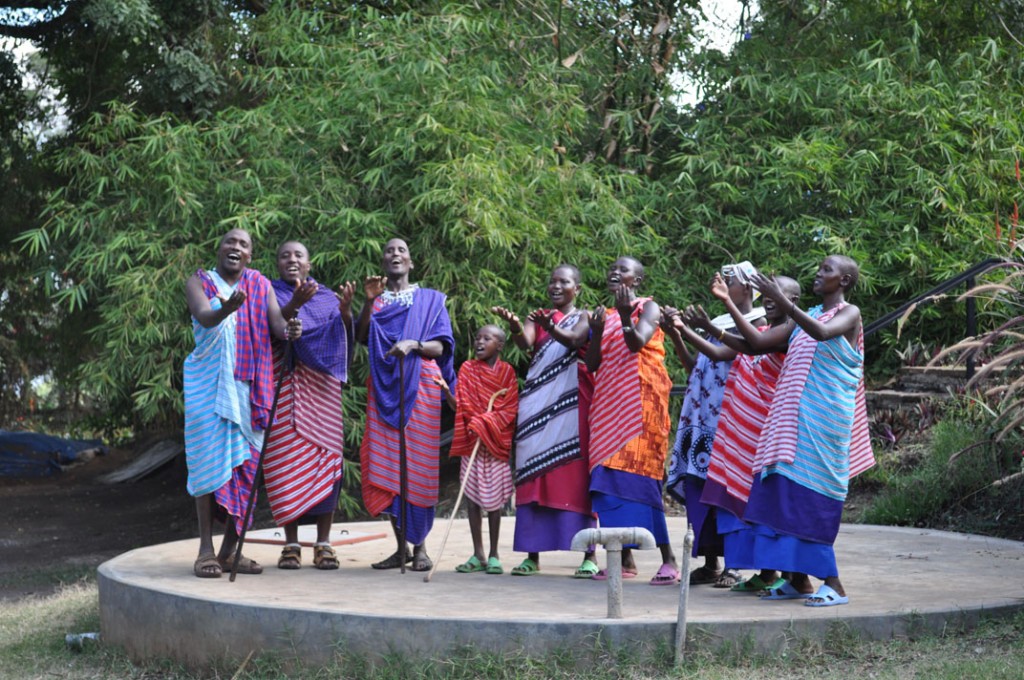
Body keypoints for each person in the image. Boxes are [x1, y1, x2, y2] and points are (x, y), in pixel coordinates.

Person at [743, 255, 875, 606]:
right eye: (818, 267)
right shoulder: (810, 314)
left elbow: (822, 334)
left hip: (823, 422)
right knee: (783, 495)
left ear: (844, 281)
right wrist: (718, 317)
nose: (818, 273)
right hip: (790, 424)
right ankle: (797, 580)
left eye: (827, 270)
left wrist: (785, 302)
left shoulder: (849, 314)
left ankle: (834, 585)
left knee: (808, 500)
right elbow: (758, 343)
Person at [183, 228, 302, 578]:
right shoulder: (199, 281)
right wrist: (226, 309)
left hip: (249, 390)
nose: (236, 248)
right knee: (206, 464)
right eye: (230, 242)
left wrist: (290, 328)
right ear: (219, 249)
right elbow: (205, 316)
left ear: (250, 256)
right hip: (207, 384)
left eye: (243, 245)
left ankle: (229, 552)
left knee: (247, 470)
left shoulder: (260, 285)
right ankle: (205, 550)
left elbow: (278, 326)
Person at [683, 272, 801, 593]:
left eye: (775, 296)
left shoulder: (790, 329)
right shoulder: (764, 330)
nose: (768, 302)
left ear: (794, 302)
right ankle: (764, 572)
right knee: (744, 501)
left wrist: (724, 304)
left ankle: (778, 573)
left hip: (766, 429)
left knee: (765, 502)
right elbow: (726, 351)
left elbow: (758, 344)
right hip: (739, 430)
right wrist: (699, 328)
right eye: (765, 297)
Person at [357, 238, 456, 572]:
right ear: (384, 262)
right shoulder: (377, 299)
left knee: (419, 467)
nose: (395, 254)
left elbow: (442, 347)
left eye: (401, 251)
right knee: (388, 468)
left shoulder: (429, 300)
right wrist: (368, 302)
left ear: (411, 262)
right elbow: (360, 336)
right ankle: (400, 549)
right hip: (383, 388)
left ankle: (421, 547)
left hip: (422, 389)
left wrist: (413, 344)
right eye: (389, 251)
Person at [494, 264, 598, 578]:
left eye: (563, 282)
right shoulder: (536, 316)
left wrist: (549, 326)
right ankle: (532, 555)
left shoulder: (585, 316)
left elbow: (573, 340)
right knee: (534, 476)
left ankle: (588, 555)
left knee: (575, 477)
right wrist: (514, 325)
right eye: (552, 281)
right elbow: (525, 344)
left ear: (576, 288)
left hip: (571, 405)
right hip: (538, 406)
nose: (555, 286)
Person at [665, 262, 764, 587]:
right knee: (700, 494)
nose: (720, 280)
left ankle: (734, 567)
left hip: (729, 424)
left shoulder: (757, 323)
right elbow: (697, 363)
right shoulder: (720, 322)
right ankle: (711, 563)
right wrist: (677, 334)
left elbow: (723, 354)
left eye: (730, 279)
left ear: (747, 289)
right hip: (700, 423)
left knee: (727, 492)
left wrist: (689, 328)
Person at [263, 241, 356, 571]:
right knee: (284, 463)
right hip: (285, 386)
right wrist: (293, 308)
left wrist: (346, 313)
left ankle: (323, 543)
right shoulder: (267, 291)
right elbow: (273, 327)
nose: (291, 259)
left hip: (323, 392)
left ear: (309, 263)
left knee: (327, 461)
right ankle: (290, 543)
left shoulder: (329, 297)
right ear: (277, 263)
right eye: (284, 255)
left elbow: (345, 345)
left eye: (297, 255)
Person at [586, 256, 678, 585]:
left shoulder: (648, 307)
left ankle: (668, 559)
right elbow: (592, 363)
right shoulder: (605, 315)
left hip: (641, 406)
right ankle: (623, 561)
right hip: (608, 408)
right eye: (612, 268)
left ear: (637, 280)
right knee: (608, 483)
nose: (615, 272)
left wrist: (626, 315)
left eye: (624, 270)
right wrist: (596, 332)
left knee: (640, 481)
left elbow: (637, 342)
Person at [435, 324, 519, 575]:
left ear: (500, 345)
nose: (479, 342)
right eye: (478, 337)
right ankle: (477, 553)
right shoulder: (468, 369)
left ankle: (494, 554)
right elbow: (461, 407)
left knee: (494, 503)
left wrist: (487, 424)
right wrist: (447, 392)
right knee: (472, 499)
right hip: (473, 442)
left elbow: (509, 409)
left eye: (487, 338)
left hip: (494, 444)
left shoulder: (507, 373)